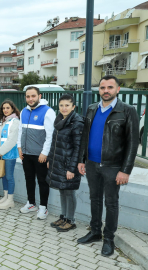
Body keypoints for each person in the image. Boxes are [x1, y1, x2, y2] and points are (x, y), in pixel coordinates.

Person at [77, 75, 139, 256]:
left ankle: (109, 239)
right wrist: (82, 160)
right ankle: (95, 232)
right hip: (92, 164)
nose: (106, 91)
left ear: (118, 89)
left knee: (111, 203)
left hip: (113, 167)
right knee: (94, 199)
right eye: (103, 87)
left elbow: (133, 143)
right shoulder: (91, 109)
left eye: (110, 87)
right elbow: (84, 137)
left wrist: (125, 170)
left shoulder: (127, 111)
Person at [46, 94, 84, 232]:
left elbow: (78, 148)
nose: (64, 108)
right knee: (62, 190)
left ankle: (71, 220)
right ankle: (63, 217)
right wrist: (51, 160)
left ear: (73, 107)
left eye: (67, 105)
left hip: (68, 165)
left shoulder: (77, 122)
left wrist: (71, 169)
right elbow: (54, 144)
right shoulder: (59, 120)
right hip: (58, 162)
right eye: (61, 105)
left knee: (69, 192)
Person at [17, 86, 56, 219]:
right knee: (29, 179)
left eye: (33, 96)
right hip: (26, 154)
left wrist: (45, 153)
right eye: (28, 96)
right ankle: (31, 203)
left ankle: (43, 208)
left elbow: (50, 135)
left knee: (42, 181)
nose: (30, 99)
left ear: (39, 96)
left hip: (40, 155)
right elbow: (20, 131)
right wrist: (19, 147)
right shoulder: (23, 111)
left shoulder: (48, 111)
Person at [0, 100, 20, 209]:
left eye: (8, 108)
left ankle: (10, 200)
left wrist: (0, 152)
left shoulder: (15, 122)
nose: (5, 110)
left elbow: (12, 140)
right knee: (3, 175)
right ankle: (5, 197)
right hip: (0, 154)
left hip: (9, 154)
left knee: (9, 176)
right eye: (3, 108)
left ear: (12, 109)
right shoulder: (2, 121)